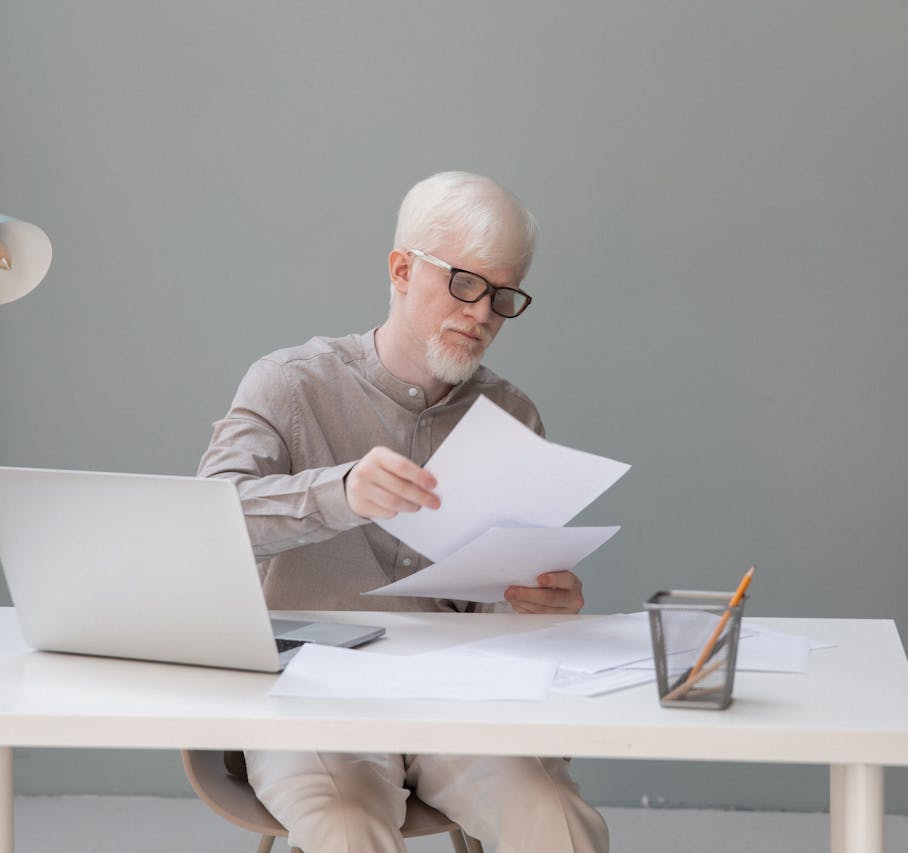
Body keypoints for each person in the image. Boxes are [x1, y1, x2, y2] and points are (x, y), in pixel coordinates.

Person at [197, 171, 609, 852]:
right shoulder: (290, 383)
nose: (483, 312)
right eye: (465, 283)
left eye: (503, 295)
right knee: (346, 826)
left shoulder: (511, 414)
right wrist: (342, 492)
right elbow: (207, 526)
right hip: (314, 702)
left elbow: (499, 604)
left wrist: (537, 604)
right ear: (401, 269)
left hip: (459, 702)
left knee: (555, 816)